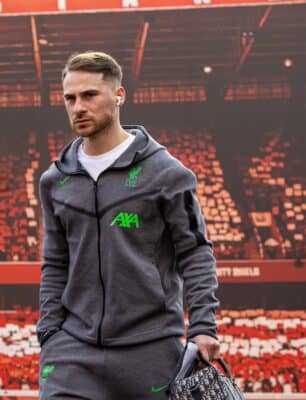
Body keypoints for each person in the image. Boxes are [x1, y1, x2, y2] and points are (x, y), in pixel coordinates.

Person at [37, 51, 220, 399]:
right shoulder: (54, 180)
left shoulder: (167, 173)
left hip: (150, 349)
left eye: (90, 95)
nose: (78, 107)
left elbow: (195, 253)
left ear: (119, 95)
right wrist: (49, 332)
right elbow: (55, 262)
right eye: (70, 98)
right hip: (71, 351)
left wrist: (203, 326)